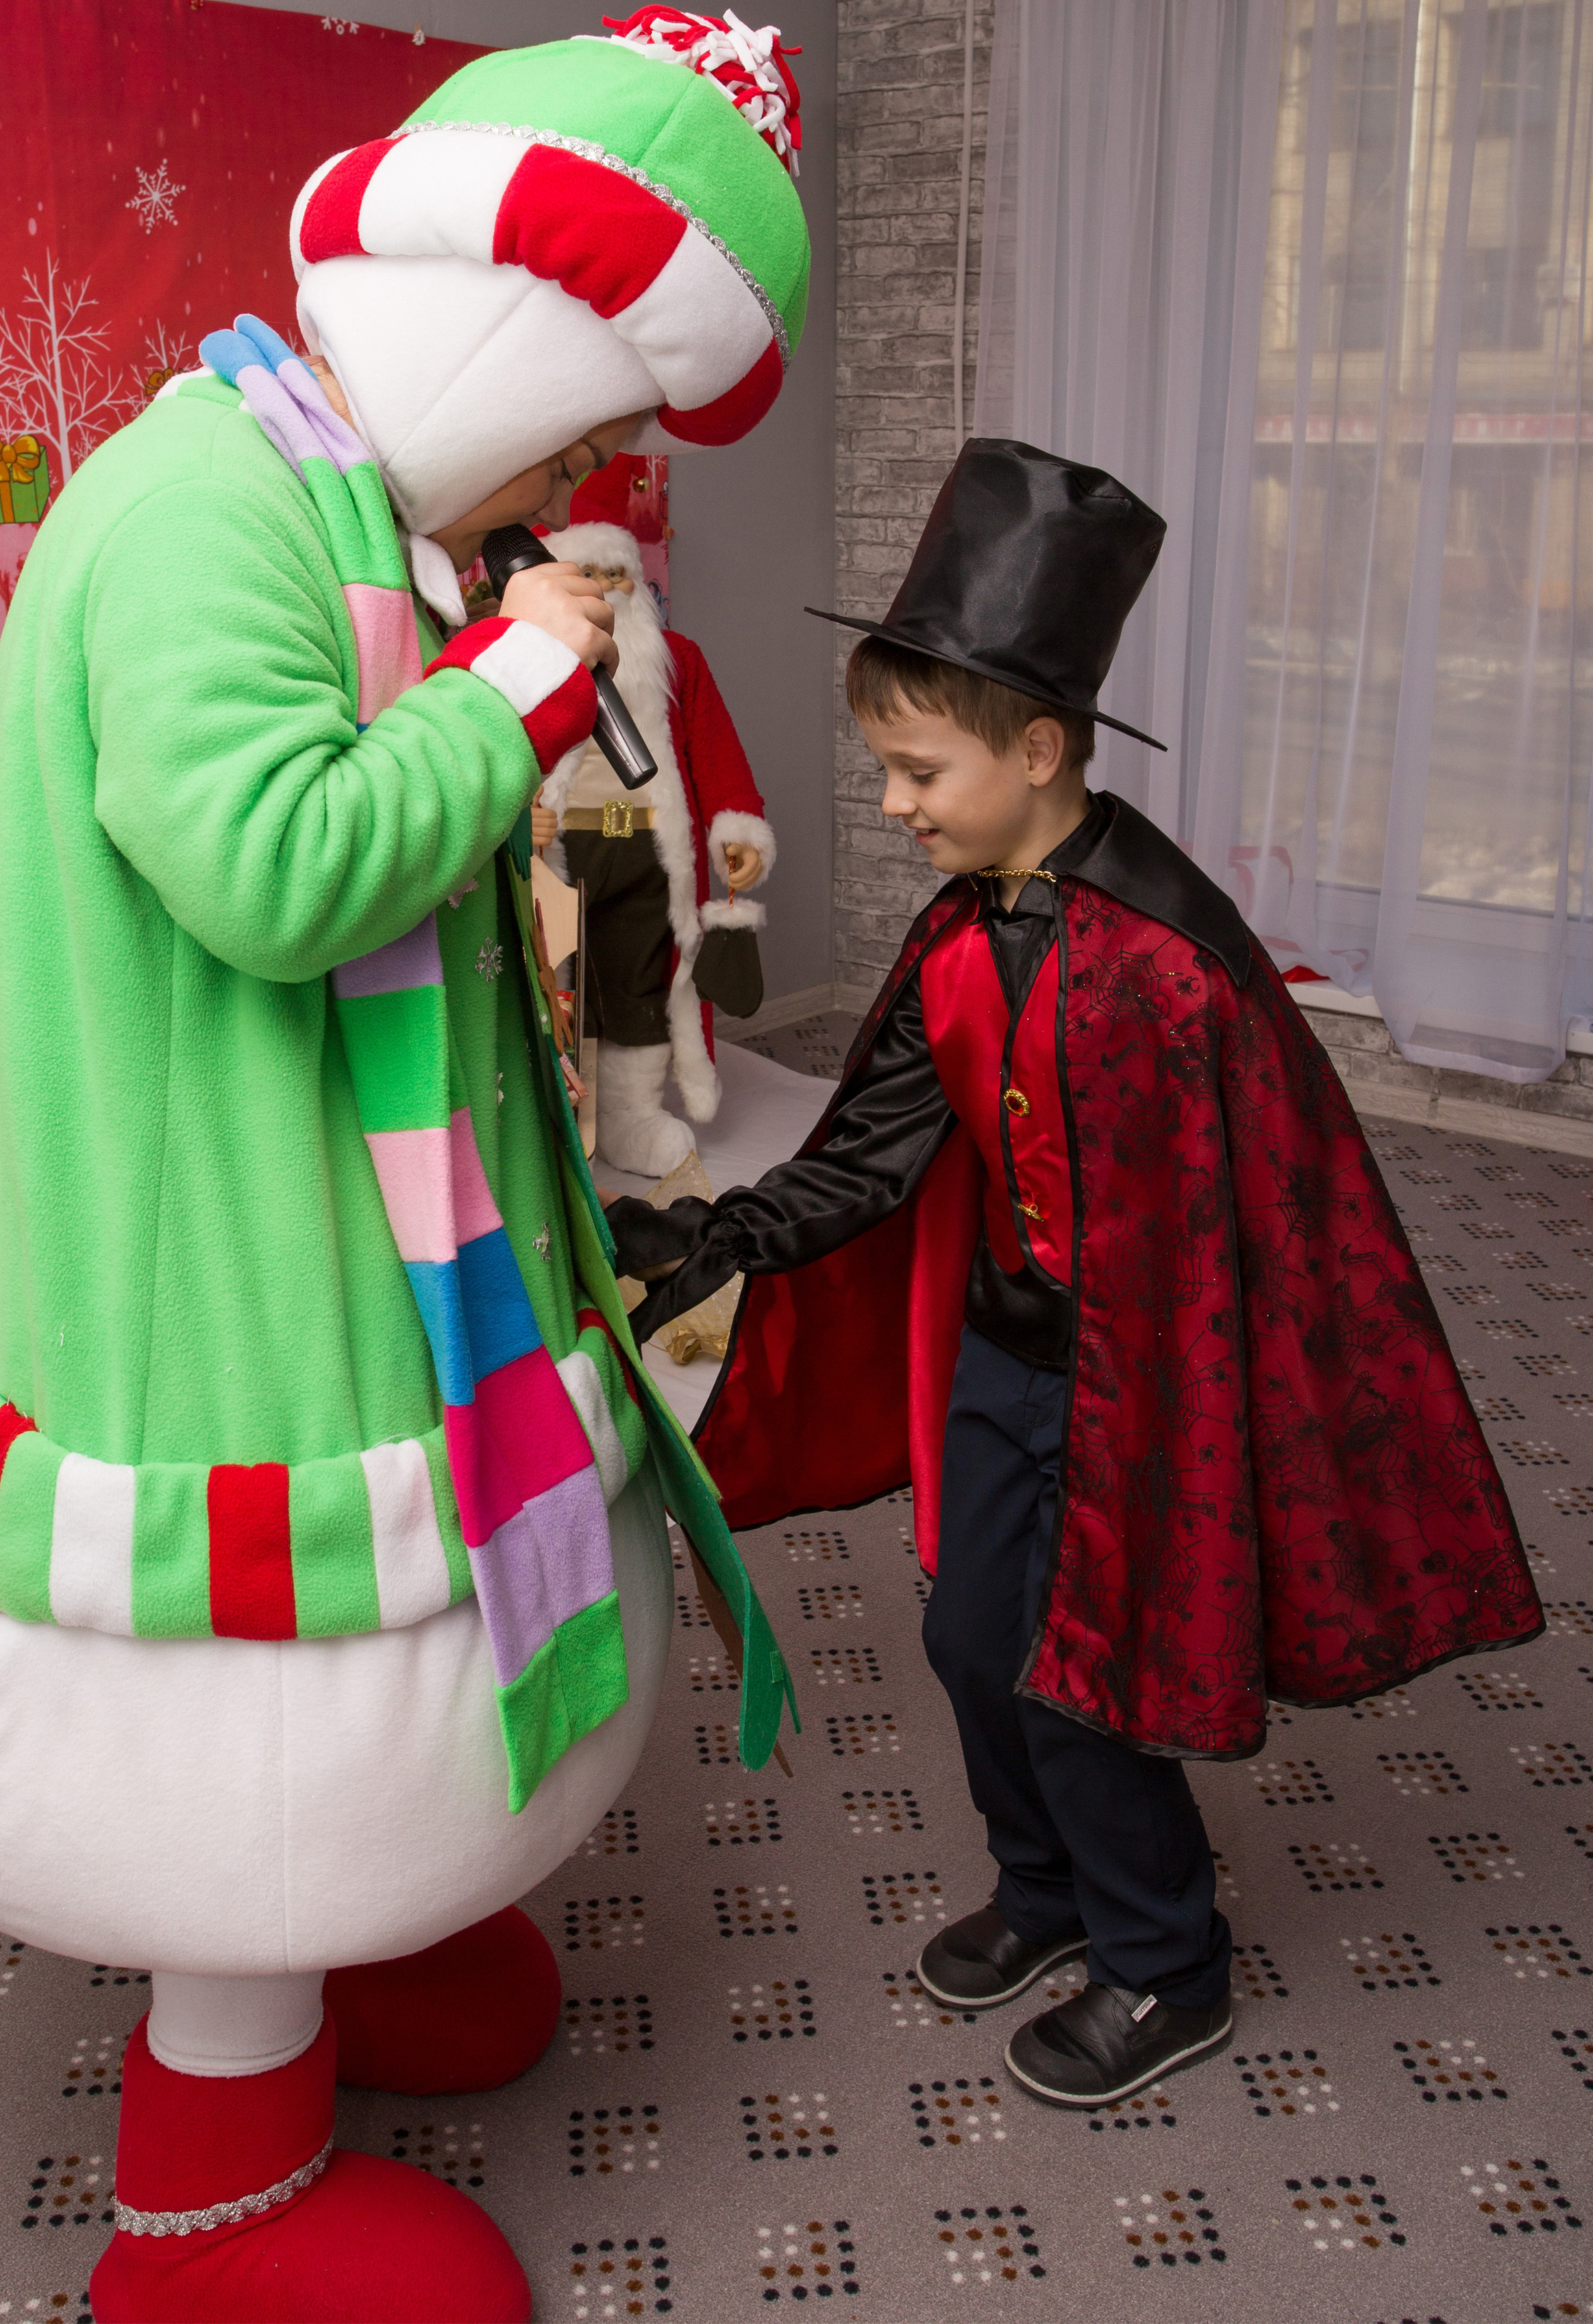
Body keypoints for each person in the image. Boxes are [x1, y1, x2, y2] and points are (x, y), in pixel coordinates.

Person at [0, 7, 808, 2323]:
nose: (584, 472)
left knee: (380, 1698)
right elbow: (277, 868)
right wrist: (510, 695)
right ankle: (213, 2203)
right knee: (245, 1735)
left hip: (327, 1214)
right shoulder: (211, 513)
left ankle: (371, 1935)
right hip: (205, 1279)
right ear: (504, 350)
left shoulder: (309, 486)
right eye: (582, 418)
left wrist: (488, 670)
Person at [610, 436, 1542, 2114]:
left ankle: (1160, 1959)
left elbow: (1230, 1234)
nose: (890, 804)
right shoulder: (973, 923)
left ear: (1035, 749)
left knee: (1081, 1672)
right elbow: (876, 1146)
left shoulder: (1163, 963)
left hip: (1142, 1386)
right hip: (1002, 1354)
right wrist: (713, 1234)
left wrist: (1145, 1429)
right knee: (973, 1641)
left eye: (914, 769)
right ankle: (1043, 1896)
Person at [530, 517, 775, 1176]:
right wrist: (521, 816)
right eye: (592, 576)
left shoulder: (680, 659)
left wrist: (737, 830)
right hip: (561, 848)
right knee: (555, 983)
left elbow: (717, 751)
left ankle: (630, 1116)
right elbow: (489, 753)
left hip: (643, 848)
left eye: (621, 575)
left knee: (638, 980)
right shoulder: (518, 660)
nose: (611, 589)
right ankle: (551, 1121)